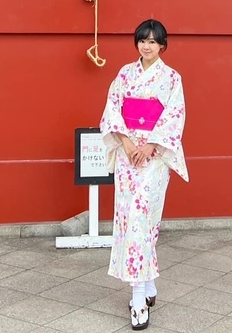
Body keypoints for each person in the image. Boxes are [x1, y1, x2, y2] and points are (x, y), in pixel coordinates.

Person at [100, 19, 188, 331]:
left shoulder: (171, 78)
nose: (146, 46)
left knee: (147, 220)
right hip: (127, 158)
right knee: (130, 220)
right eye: (142, 40)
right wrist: (125, 142)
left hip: (153, 158)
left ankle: (143, 291)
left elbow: (174, 116)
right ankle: (141, 293)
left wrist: (150, 144)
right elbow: (112, 111)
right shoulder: (124, 74)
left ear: (162, 45)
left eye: (153, 41)